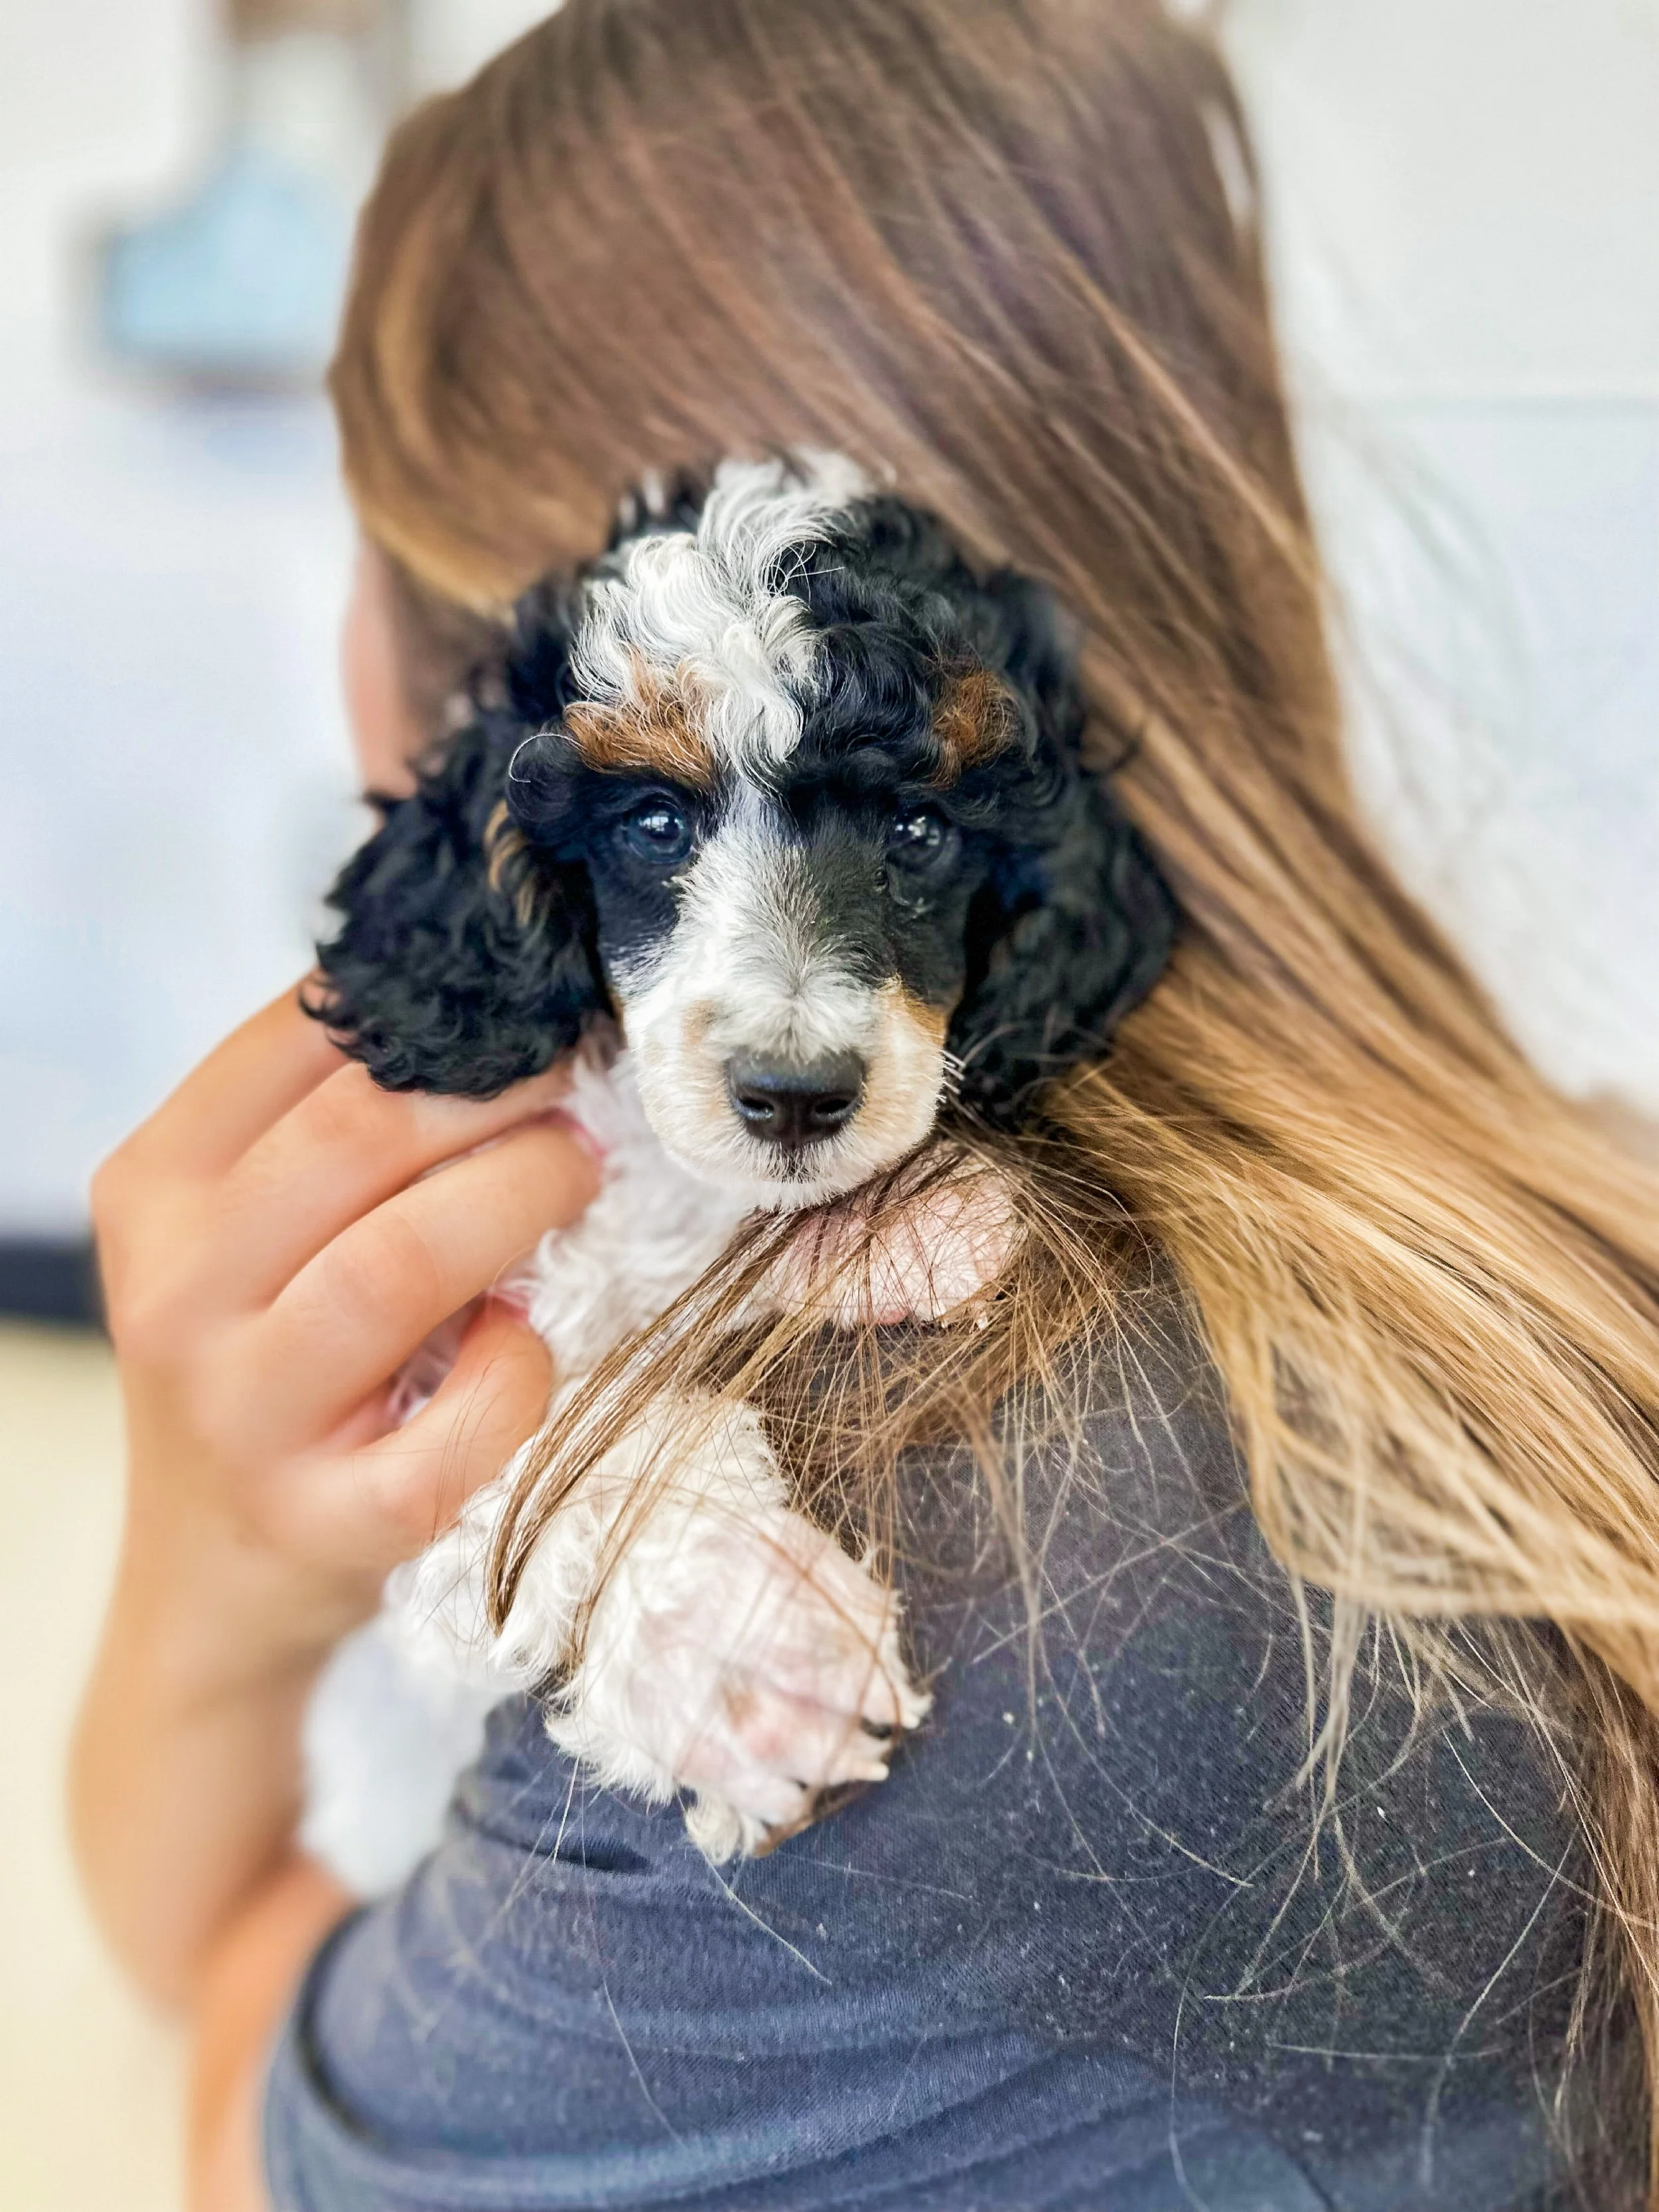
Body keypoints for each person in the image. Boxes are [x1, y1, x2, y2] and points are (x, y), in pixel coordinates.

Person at [71, 3, 1659, 2208]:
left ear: (437, 701)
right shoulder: (1585, 1213)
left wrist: (202, 1576)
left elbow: (235, 2055)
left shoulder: (867, 1565)